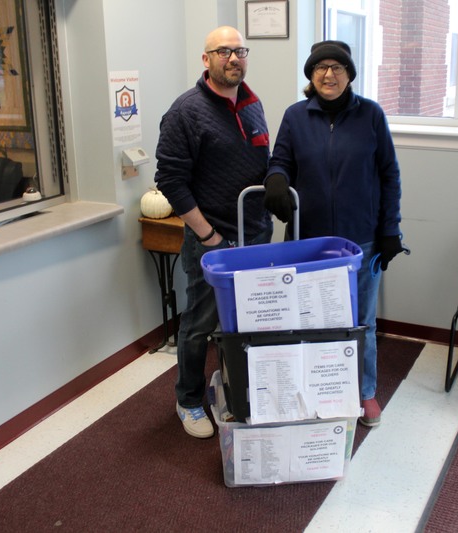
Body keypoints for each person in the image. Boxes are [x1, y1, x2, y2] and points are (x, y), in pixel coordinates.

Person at [264, 40, 403, 427]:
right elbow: (281, 161)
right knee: (308, 319)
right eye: (320, 68)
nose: (329, 74)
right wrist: (275, 179)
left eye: (337, 67)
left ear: (349, 74)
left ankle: (365, 392)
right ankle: (315, 389)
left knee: (361, 322)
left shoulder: (371, 116)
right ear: (311, 75)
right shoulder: (295, 117)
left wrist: (390, 229)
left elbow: (389, 175)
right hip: (309, 241)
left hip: (362, 239)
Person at [155, 26, 272, 438]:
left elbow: (262, 160)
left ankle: (240, 388)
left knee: (251, 320)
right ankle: (188, 400)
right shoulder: (185, 111)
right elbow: (170, 180)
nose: (233, 58)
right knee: (200, 323)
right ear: (206, 60)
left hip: (255, 234)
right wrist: (208, 237)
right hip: (213, 240)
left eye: (240, 50)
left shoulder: (252, 104)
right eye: (223, 51)